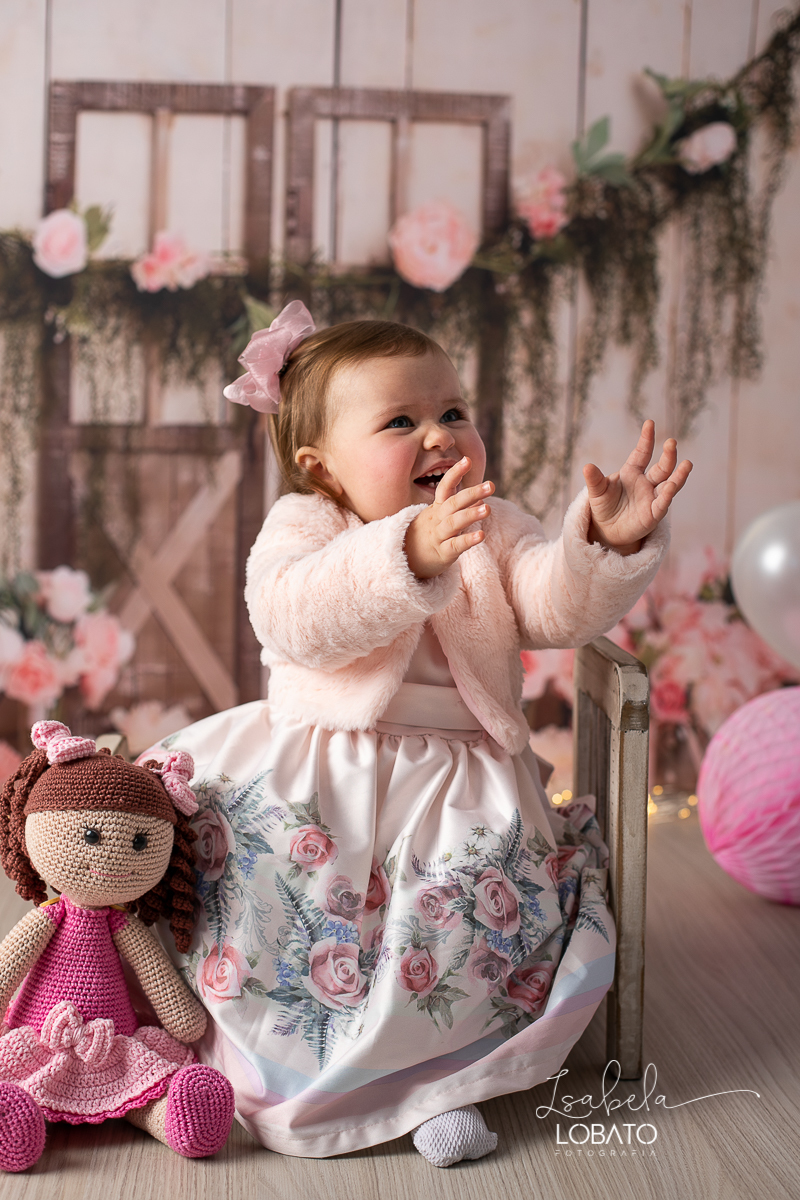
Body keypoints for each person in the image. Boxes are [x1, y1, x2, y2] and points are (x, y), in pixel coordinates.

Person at [151, 302, 691, 1166]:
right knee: (272, 890)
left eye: (453, 412)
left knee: (460, 916)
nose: (439, 435)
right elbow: (294, 616)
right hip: (326, 758)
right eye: (401, 420)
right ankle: (245, 1057)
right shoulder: (308, 524)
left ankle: (433, 1087)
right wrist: (410, 553)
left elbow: (549, 604)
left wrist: (600, 545)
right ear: (320, 465)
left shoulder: (489, 520)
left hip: (457, 774)